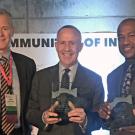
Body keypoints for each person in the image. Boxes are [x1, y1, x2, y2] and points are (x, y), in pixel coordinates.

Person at [26, 25, 104, 135]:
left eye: (72, 43)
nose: (67, 48)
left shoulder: (94, 79)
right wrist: (43, 117)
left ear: (80, 46)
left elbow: (101, 118)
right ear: (56, 46)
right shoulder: (40, 77)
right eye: (62, 42)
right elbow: (29, 112)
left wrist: (86, 120)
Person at [0, 9, 36, 135]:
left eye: (4, 28)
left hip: (19, 132)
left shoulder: (27, 64)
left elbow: (33, 103)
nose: (0, 33)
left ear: (12, 31)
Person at [99, 18, 135, 135]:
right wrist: (104, 115)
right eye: (121, 37)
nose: (125, 42)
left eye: (131, 35)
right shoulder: (112, 77)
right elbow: (109, 122)